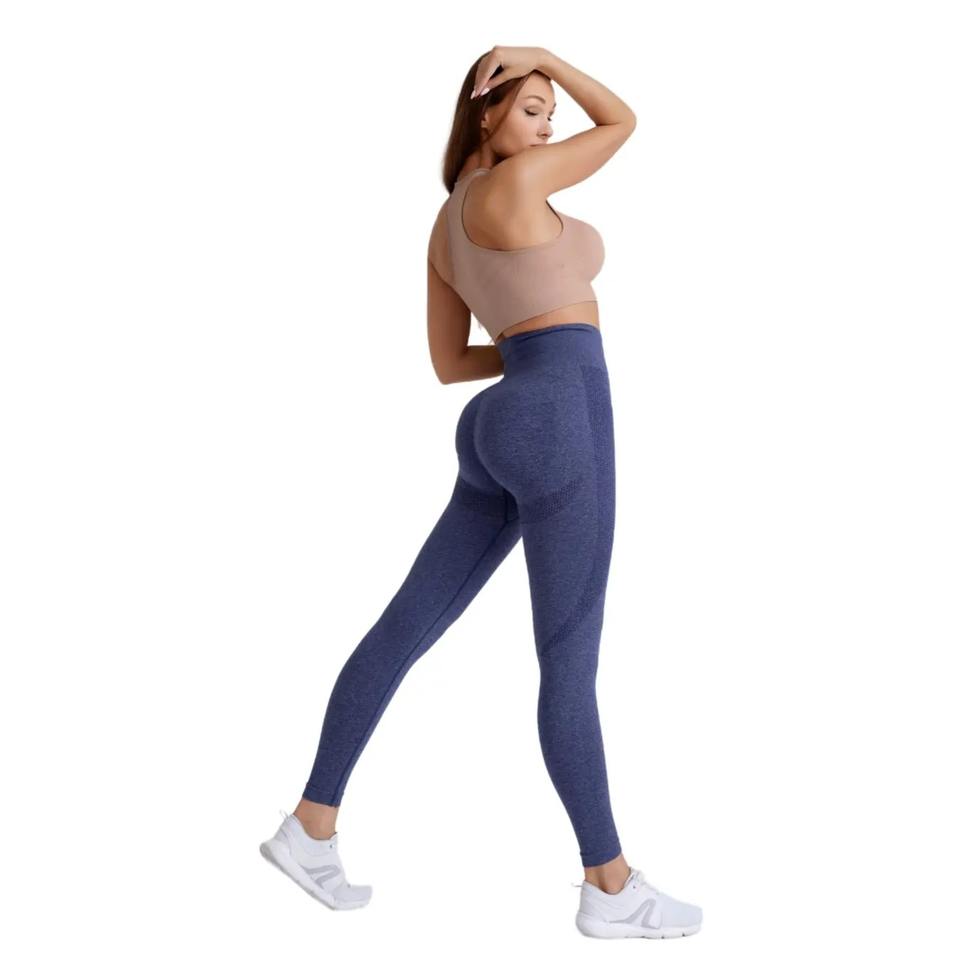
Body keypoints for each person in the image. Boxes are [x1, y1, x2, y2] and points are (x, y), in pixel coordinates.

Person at [259, 46, 702, 939]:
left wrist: (529, 356)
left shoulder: (444, 224)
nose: (548, 126)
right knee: (569, 659)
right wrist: (549, 56)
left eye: (549, 113)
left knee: (404, 626)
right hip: (564, 413)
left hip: (497, 422)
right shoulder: (522, 181)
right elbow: (624, 122)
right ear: (486, 108)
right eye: (533, 108)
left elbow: (450, 362)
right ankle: (611, 887)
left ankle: (310, 826)